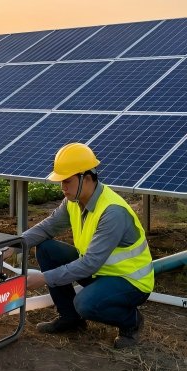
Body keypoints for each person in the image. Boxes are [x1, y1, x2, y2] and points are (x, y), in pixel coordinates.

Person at [9, 143, 154, 349]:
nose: (62, 187)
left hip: (129, 281)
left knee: (85, 304)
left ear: (86, 179)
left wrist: (44, 278)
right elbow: (46, 228)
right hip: (101, 272)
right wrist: (12, 246)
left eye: (66, 181)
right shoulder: (73, 201)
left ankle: (131, 321)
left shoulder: (112, 212)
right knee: (46, 248)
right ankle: (70, 319)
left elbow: (90, 263)